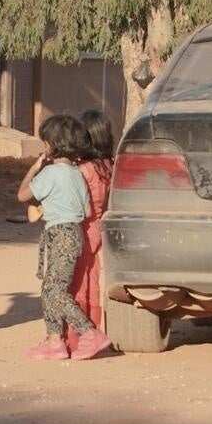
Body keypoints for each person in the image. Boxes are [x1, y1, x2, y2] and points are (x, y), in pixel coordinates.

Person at [16, 115, 114, 361]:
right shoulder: (77, 174)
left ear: (52, 145)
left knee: (55, 290)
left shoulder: (49, 174)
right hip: (75, 234)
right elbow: (87, 212)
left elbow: (22, 195)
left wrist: (34, 168)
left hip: (58, 235)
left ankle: (89, 332)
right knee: (50, 289)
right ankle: (54, 341)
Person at [66, 109, 116, 352]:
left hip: (82, 229)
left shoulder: (83, 170)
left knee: (77, 283)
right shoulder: (109, 165)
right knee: (92, 281)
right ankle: (94, 330)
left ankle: (78, 336)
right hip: (99, 227)